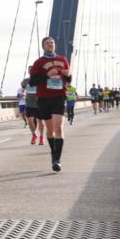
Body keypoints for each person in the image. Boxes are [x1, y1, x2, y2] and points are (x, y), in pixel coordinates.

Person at [29, 36, 71, 172]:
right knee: (50, 130)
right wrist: (47, 75)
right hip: (44, 98)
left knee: (58, 128)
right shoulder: (38, 62)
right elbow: (32, 82)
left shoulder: (62, 60)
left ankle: (57, 160)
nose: (50, 45)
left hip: (59, 96)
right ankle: (53, 152)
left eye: (52, 43)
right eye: (47, 43)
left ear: (55, 45)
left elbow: (69, 78)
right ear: (43, 46)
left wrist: (66, 75)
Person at [24, 78, 44, 145]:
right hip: (29, 104)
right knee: (30, 121)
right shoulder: (26, 81)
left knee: (40, 121)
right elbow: (23, 88)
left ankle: (41, 137)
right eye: (29, 70)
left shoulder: (41, 79)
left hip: (40, 104)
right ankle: (34, 135)